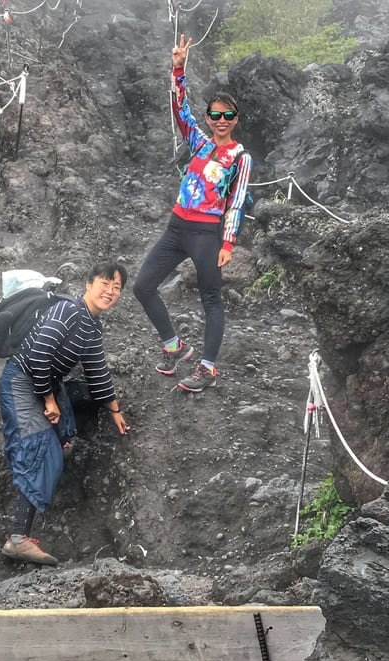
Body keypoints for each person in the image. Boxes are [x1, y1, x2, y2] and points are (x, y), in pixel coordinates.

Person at [133, 34, 252, 393]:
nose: (220, 120)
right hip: (177, 225)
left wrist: (228, 244)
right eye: (214, 114)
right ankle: (175, 347)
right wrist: (178, 70)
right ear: (209, 117)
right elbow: (179, 109)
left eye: (226, 115)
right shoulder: (199, 142)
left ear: (235, 119)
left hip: (206, 234)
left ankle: (208, 368)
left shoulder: (240, 158)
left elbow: (237, 202)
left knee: (211, 299)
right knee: (142, 286)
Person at [0, 262, 130, 565]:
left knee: (61, 438)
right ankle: (17, 539)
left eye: (117, 287)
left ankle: (61, 444)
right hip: (21, 382)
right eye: (104, 283)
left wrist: (116, 411)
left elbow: (98, 371)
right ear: (88, 283)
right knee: (39, 449)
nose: (109, 291)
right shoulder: (67, 311)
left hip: (46, 385)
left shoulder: (92, 325)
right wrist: (48, 400)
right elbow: (40, 353)